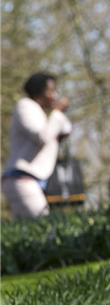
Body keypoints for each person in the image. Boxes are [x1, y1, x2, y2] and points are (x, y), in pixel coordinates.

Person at [1, 72, 72, 218]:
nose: (54, 96)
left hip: (32, 179)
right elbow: (42, 136)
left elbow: (65, 129)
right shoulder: (25, 107)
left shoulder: (37, 111)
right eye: (51, 91)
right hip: (22, 178)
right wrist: (57, 112)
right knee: (42, 224)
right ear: (38, 91)